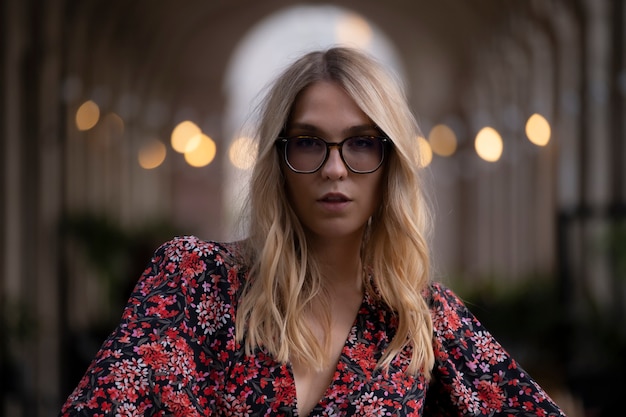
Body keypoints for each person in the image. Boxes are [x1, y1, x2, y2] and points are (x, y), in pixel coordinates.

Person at [60, 47, 566, 416]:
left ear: (391, 161)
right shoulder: (194, 280)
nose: (335, 169)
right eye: (308, 142)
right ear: (278, 159)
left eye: (362, 143)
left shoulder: (421, 321)